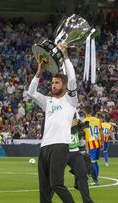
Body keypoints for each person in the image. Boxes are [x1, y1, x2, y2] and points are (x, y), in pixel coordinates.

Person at [27, 43, 77, 203]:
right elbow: (31, 92)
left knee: (56, 184)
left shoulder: (70, 100)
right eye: (52, 83)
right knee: (44, 190)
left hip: (60, 145)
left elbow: (73, 78)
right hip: (45, 147)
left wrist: (66, 56)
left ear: (64, 85)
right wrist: (39, 72)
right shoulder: (47, 101)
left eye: (57, 83)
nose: (53, 85)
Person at [67, 118, 94, 203]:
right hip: (62, 152)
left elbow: (81, 142)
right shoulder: (63, 125)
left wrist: (84, 152)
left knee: (82, 176)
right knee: (56, 180)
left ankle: (87, 201)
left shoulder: (79, 131)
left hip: (75, 152)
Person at [83, 105, 104, 185]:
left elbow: (84, 134)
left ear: (85, 111)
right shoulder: (97, 120)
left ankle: (95, 181)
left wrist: (85, 146)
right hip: (98, 143)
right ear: (91, 111)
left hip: (90, 144)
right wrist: (102, 143)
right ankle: (95, 178)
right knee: (95, 162)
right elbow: (101, 133)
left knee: (92, 162)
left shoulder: (84, 121)